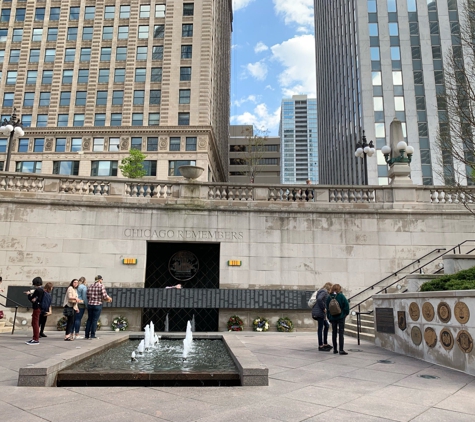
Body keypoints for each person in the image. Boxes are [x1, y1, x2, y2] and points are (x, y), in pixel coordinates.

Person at [85, 275, 112, 340]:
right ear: (100, 280)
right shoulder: (101, 286)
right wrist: (108, 299)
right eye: (102, 279)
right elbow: (105, 296)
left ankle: (86, 335)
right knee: (94, 320)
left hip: (90, 304)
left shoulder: (90, 285)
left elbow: (87, 295)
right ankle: (92, 335)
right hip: (97, 304)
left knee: (89, 319)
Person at [326, 284, 350, 355]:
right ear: (339, 289)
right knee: (341, 333)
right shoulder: (341, 296)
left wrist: (329, 317)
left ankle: (335, 349)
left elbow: (327, 308)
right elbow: (346, 305)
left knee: (334, 332)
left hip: (333, 317)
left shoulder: (329, 297)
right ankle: (341, 350)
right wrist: (345, 314)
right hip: (341, 317)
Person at [312, 282, 333, 351]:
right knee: (320, 328)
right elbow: (319, 299)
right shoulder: (324, 291)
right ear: (329, 287)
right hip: (319, 313)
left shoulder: (322, 291)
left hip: (320, 313)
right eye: (331, 288)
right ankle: (321, 346)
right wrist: (323, 308)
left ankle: (325, 343)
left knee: (326, 326)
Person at [25, 276, 44, 345]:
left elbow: (31, 299)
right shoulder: (42, 289)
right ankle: (34, 338)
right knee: (35, 323)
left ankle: (36, 339)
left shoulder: (38, 290)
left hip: (36, 307)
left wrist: (28, 295)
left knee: (35, 323)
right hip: (39, 307)